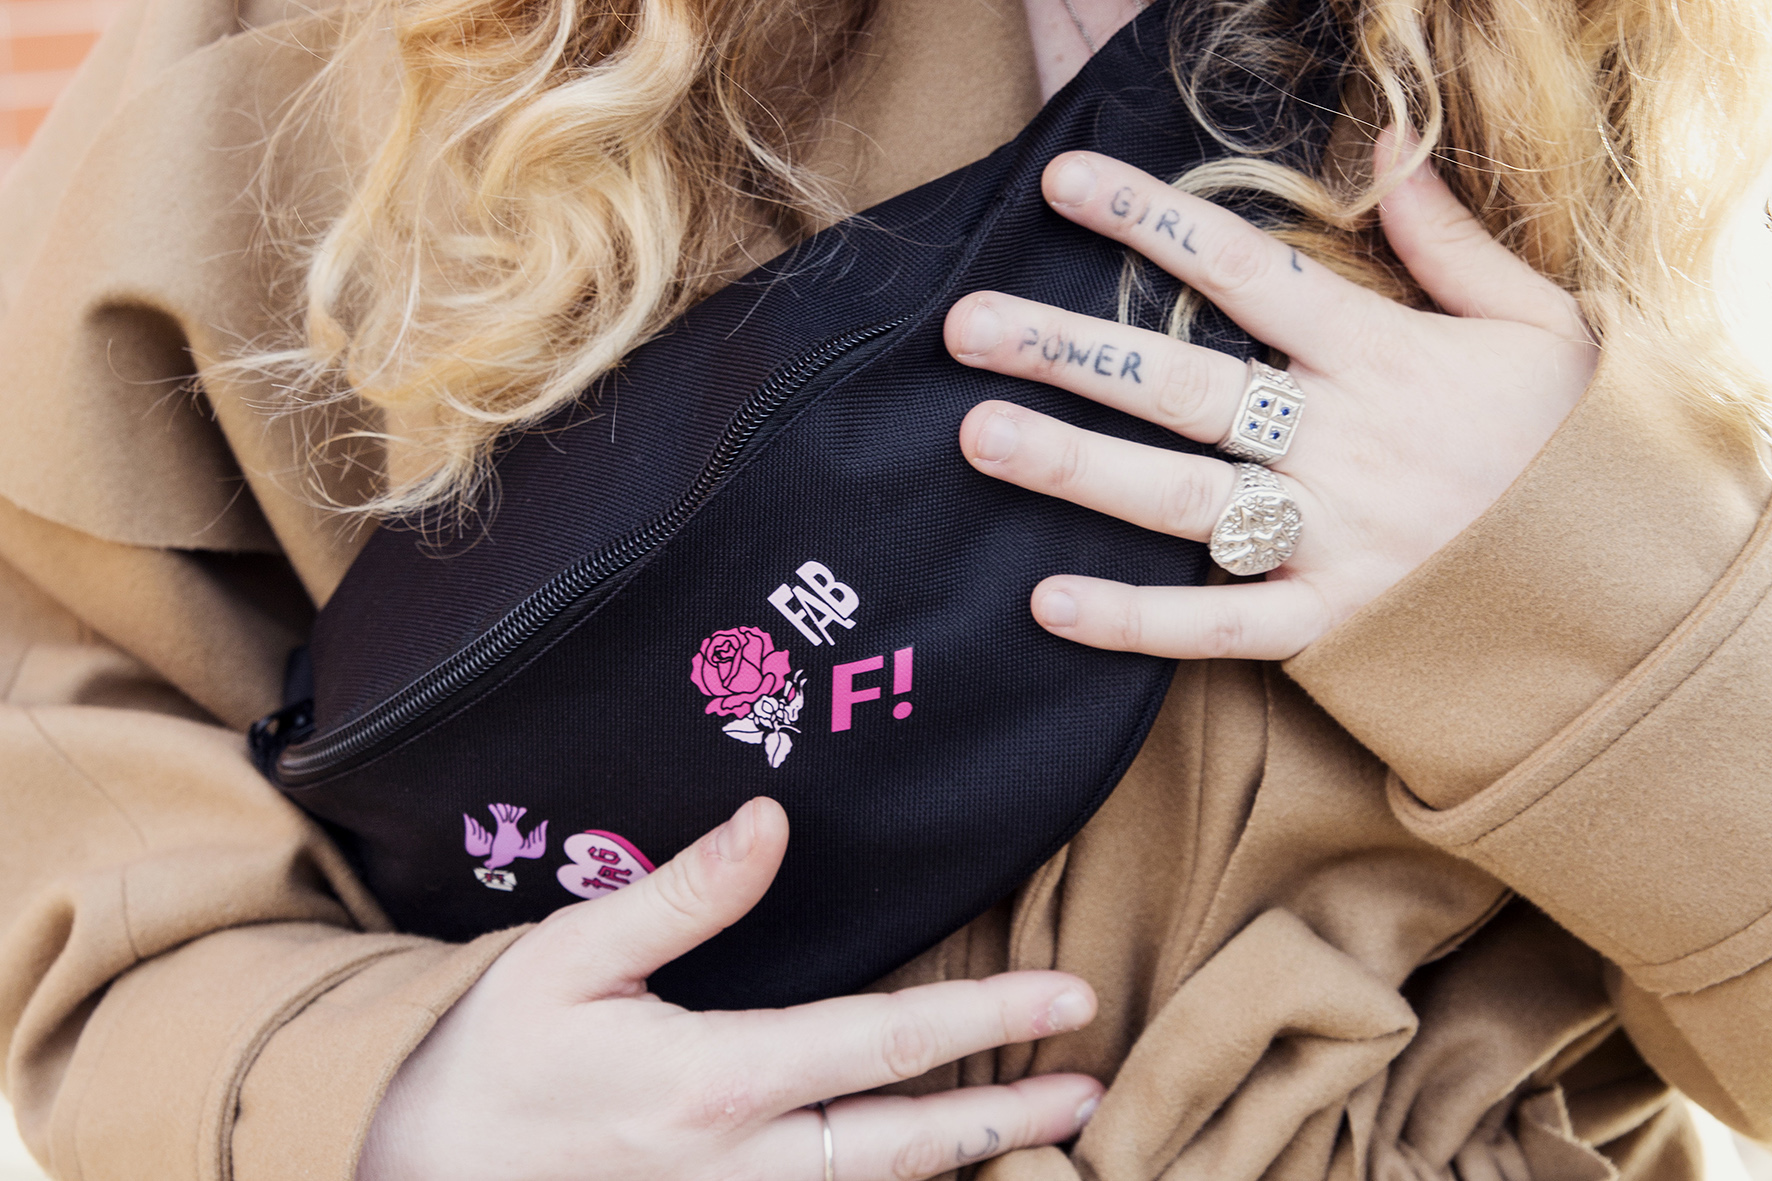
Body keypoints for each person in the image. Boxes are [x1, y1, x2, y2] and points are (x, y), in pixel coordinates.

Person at [0, 0, 1769, 1177]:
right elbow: (66, 699)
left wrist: (1609, 606)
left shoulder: (1683, 105)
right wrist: (372, 1099)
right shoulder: (355, 39)